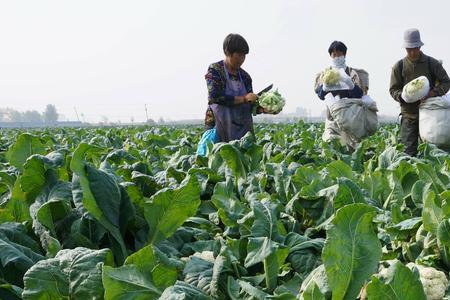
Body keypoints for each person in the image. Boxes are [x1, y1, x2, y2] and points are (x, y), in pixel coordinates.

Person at [389, 28, 450, 156]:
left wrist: (432, 93)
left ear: (420, 46)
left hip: (431, 116)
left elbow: (446, 82)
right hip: (409, 116)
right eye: (409, 49)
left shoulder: (431, 63)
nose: (412, 52)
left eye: (415, 48)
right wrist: (403, 96)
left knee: (434, 153)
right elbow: (393, 89)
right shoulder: (399, 67)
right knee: (409, 153)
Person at [203, 33, 270, 143]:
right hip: (218, 127)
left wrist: (264, 109)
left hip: (242, 128)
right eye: (239, 55)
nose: (242, 59)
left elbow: (250, 105)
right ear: (228, 52)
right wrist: (243, 98)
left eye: (244, 55)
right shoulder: (215, 70)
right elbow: (214, 97)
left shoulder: (245, 77)